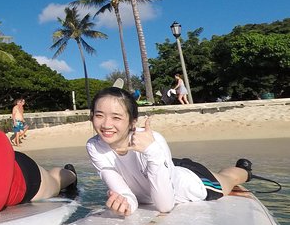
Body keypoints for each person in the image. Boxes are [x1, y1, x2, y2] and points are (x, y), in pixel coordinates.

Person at [86, 87, 252, 216]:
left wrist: (152, 152)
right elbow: (125, 193)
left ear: (132, 122)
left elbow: (165, 206)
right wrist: (126, 203)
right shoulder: (94, 146)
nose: (106, 124)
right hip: (165, 167)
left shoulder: (152, 141)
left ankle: (244, 169)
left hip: (187, 183)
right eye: (99, 115)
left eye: (116, 117)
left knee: (231, 178)